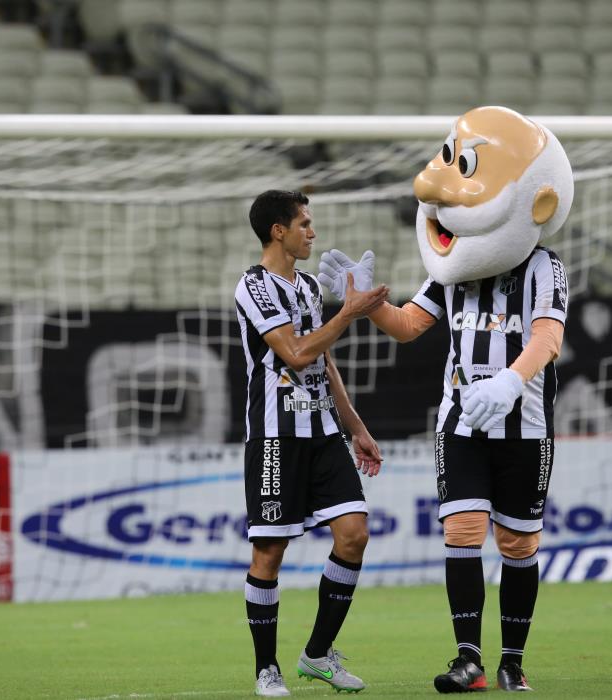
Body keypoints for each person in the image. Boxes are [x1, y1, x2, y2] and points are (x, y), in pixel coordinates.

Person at [320, 106, 574, 693]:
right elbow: (409, 324)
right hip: (460, 419)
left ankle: (513, 661)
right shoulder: (452, 269)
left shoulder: (543, 267)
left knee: (517, 541)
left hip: (525, 423)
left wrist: (511, 380)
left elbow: (548, 336)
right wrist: (362, 303)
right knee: (461, 530)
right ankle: (468, 659)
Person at [234, 189, 390, 697]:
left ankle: (318, 654)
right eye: (304, 223)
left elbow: (322, 362)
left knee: (354, 534)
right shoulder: (253, 287)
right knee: (270, 553)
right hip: (276, 438)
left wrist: (356, 426)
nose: (312, 233)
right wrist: (349, 313)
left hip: (322, 433)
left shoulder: (304, 286)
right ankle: (266, 668)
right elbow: (297, 353)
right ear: (278, 231)